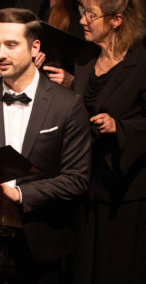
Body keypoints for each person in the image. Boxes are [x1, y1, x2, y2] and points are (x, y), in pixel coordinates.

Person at [0, 8, 91, 283]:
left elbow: (77, 179)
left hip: (41, 248)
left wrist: (20, 194)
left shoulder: (68, 104)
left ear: (34, 46)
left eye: (11, 45)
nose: (0, 54)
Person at [71, 0, 146, 283]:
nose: (82, 21)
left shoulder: (141, 62)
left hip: (123, 192)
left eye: (90, 14)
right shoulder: (84, 58)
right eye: (82, 12)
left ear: (116, 20)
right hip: (85, 187)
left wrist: (120, 126)